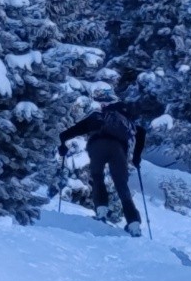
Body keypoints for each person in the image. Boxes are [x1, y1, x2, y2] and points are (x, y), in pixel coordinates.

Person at [58, 100, 148, 236]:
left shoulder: (99, 116)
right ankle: (134, 224)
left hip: (97, 145)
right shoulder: (128, 123)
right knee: (121, 185)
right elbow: (141, 133)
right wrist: (136, 158)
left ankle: (101, 212)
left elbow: (70, 132)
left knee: (97, 176)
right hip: (119, 150)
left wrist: (63, 145)